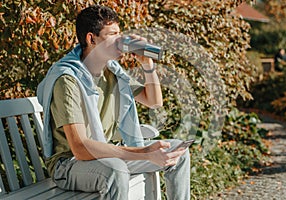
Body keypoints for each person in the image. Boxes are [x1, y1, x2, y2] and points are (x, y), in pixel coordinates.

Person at [37, 5, 190, 200]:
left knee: (177, 152)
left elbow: (154, 101)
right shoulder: (68, 79)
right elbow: (81, 148)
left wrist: (147, 64)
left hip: (105, 156)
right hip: (70, 164)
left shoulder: (113, 72)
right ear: (91, 39)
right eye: (112, 34)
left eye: (120, 33)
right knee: (116, 169)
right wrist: (144, 153)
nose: (120, 40)